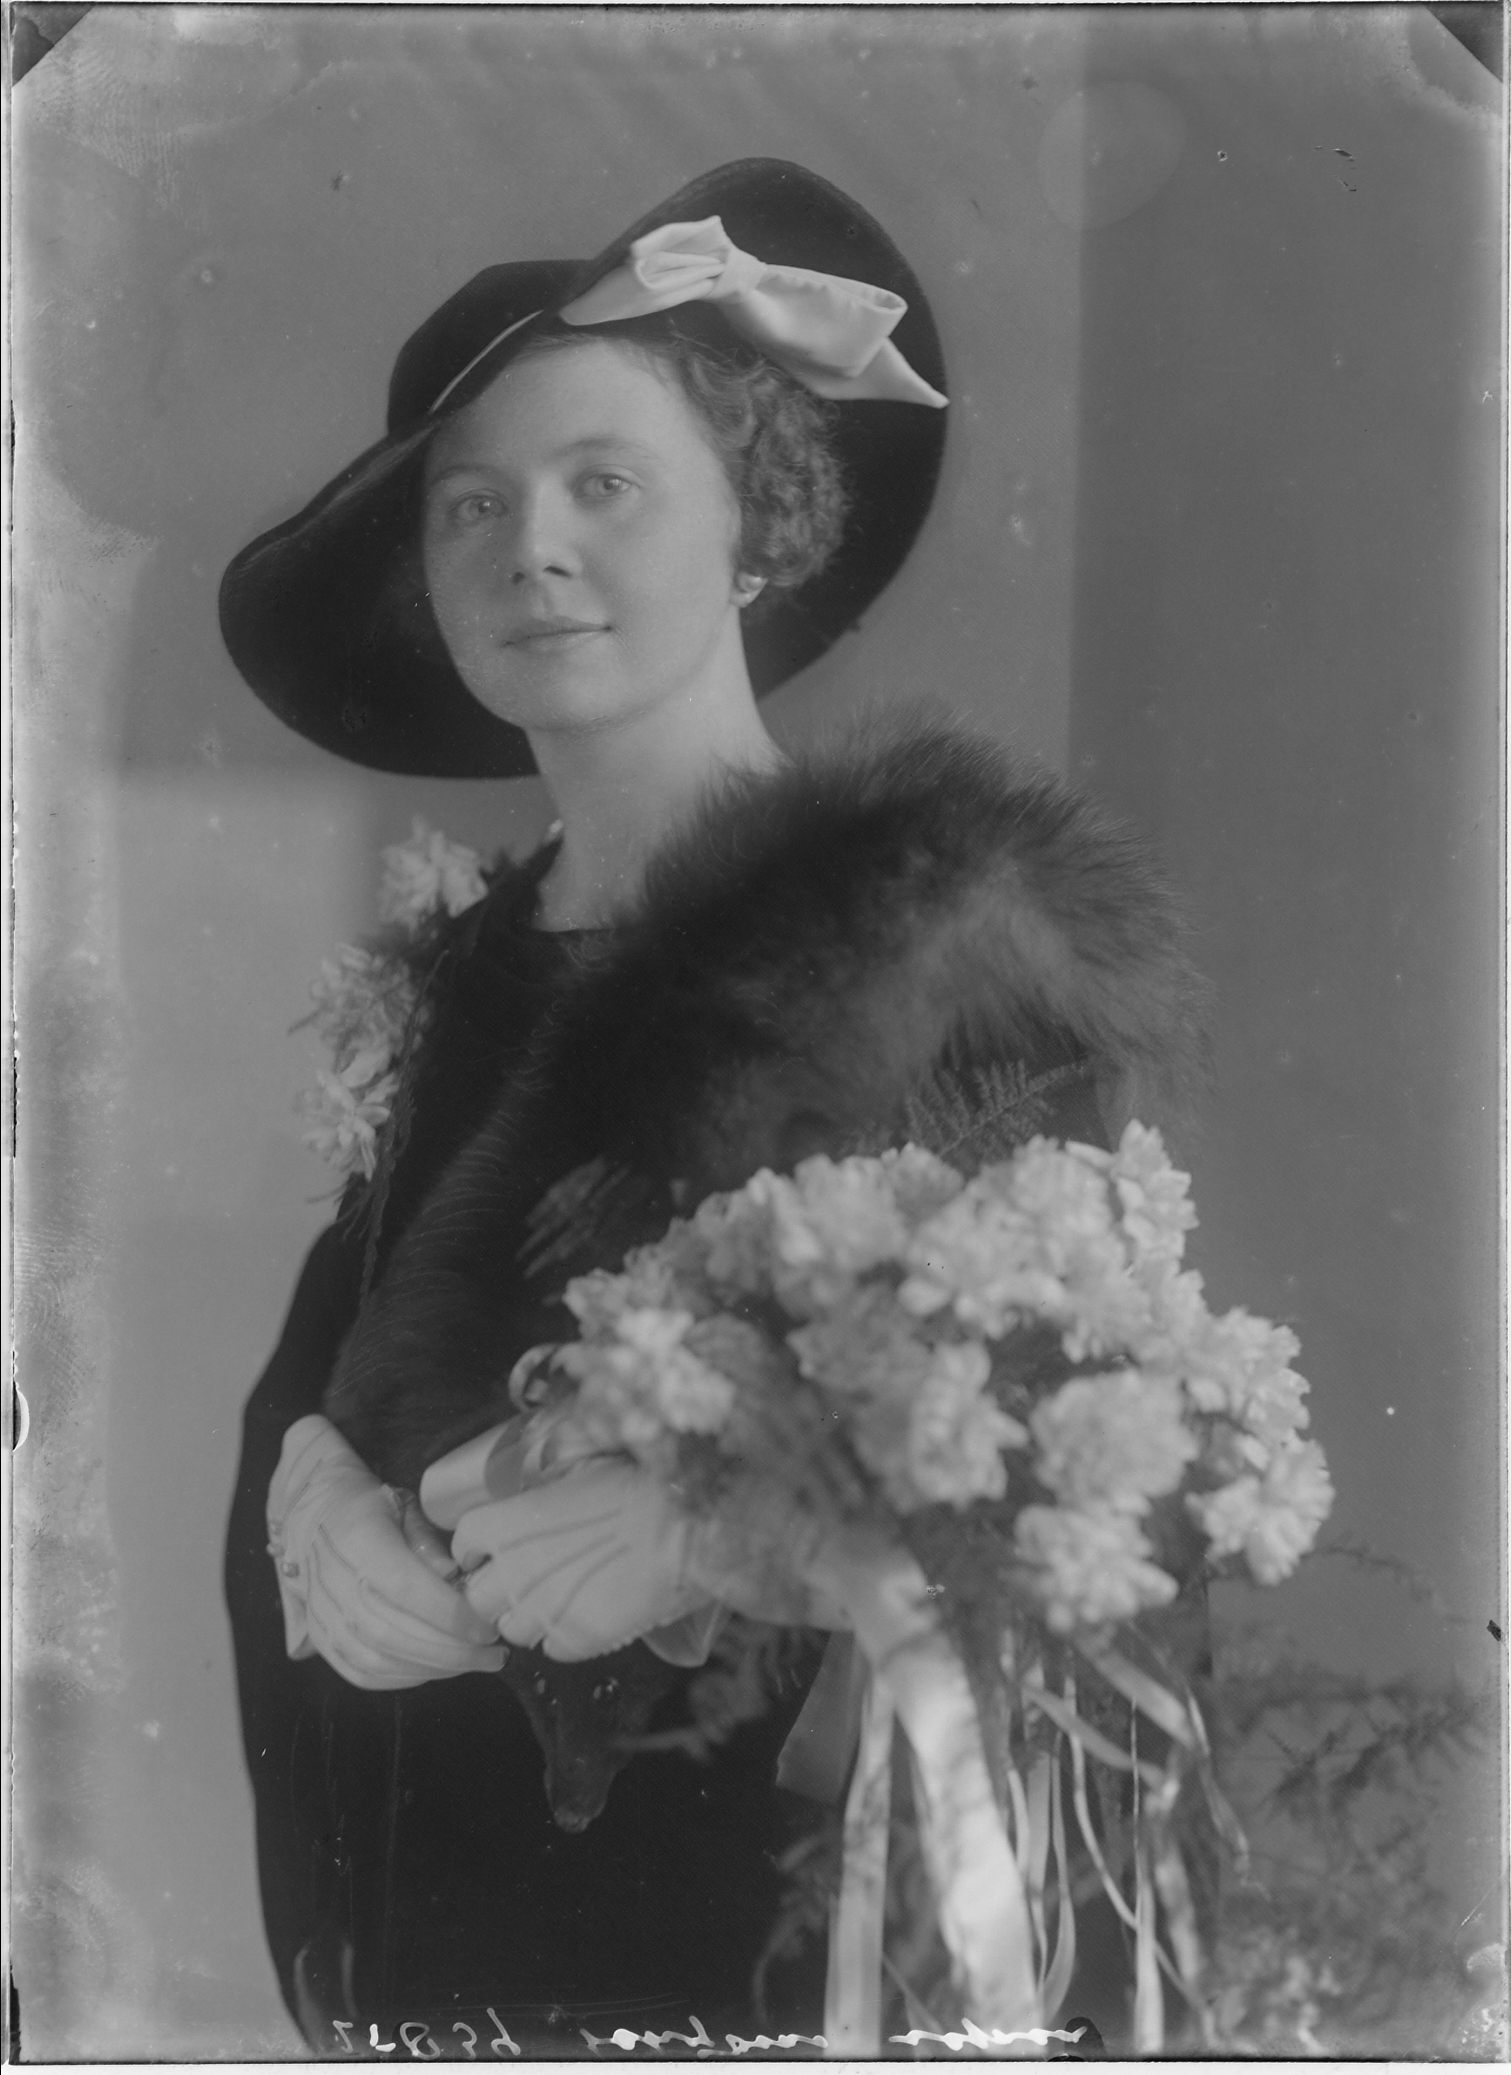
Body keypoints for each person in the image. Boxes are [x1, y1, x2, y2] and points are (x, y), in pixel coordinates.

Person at [221, 159, 1208, 2056]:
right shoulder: (465, 967)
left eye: (606, 484)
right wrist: (304, 1495)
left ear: (759, 530)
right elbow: (345, 1370)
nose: (533, 550)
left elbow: (1088, 1467)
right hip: (451, 1919)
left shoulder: (927, 931)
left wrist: (715, 1533)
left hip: (780, 1944)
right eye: (472, 505)